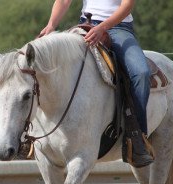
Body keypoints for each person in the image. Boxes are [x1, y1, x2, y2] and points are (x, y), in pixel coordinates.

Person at [39, 0, 154, 168]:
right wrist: (51, 25)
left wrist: (103, 27)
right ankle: (34, 134)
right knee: (45, 61)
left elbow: (127, 5)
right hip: (85, 25)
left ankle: (137, 138)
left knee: (141, 73)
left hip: (118, 28)